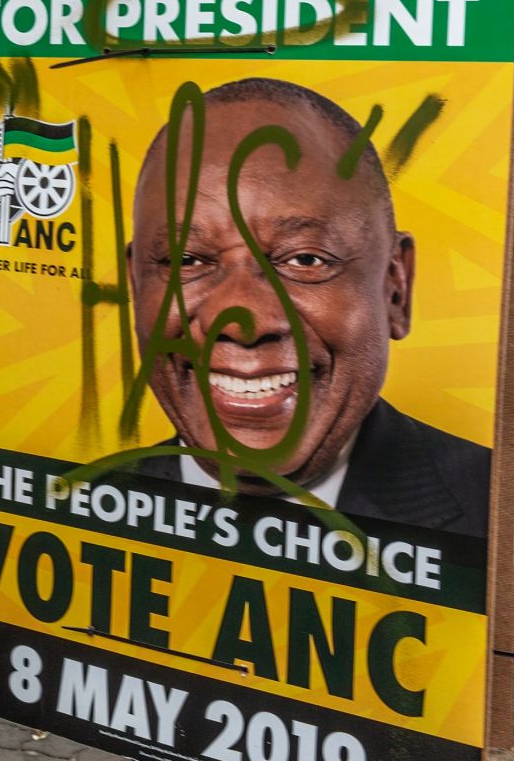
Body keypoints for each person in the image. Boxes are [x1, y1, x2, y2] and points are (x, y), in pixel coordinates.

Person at [127, 78, 489, 538]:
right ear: (136, 285)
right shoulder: (81, 505)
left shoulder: (490, 513)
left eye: (305, 260)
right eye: (186, 260)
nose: (242, 321)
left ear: (395, 287)